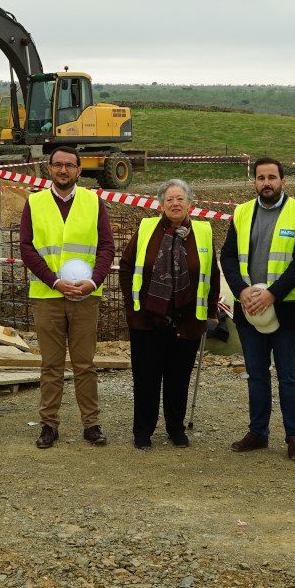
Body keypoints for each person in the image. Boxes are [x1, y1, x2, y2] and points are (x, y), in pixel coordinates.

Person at [20, 146, 116, 449]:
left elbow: (106, 247)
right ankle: (49, 424)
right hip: (48, 295)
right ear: (49, 168)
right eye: (58, 165)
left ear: (79, 170)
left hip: (86, 296)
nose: (64, 170)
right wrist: (55, 281)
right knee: (51, 364)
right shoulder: (34, 203)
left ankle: (92, 424)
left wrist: (93, 281)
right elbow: (26, 248)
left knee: (84, 363)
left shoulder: (93, 202)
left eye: (70, 166)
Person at [220, 157, 295, 461]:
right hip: (249, 308)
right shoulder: (242, 212)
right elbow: (229, 257)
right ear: (255, 182)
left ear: (283, 181)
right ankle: (258, 432)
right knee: (256, 374)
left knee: (288, 375)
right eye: (261, 178)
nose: (266, 183)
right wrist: (242, 290)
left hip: (285, 308)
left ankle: (294, 436)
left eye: (272, 177)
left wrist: (272, 294)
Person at [120, 179, 219, 450]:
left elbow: (212, 274)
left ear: (190, 203)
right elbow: (127, 267)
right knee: (146, 378)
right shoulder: (147, 229)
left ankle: (175, 428)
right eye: (169, 199)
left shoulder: (203, 232)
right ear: (161, 204)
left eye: (180, 199)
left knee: (178, 378)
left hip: (187, 319)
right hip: (147, 318)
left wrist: (211, 313)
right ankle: (143, 431)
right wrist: (132, 305)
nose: (175, 204)